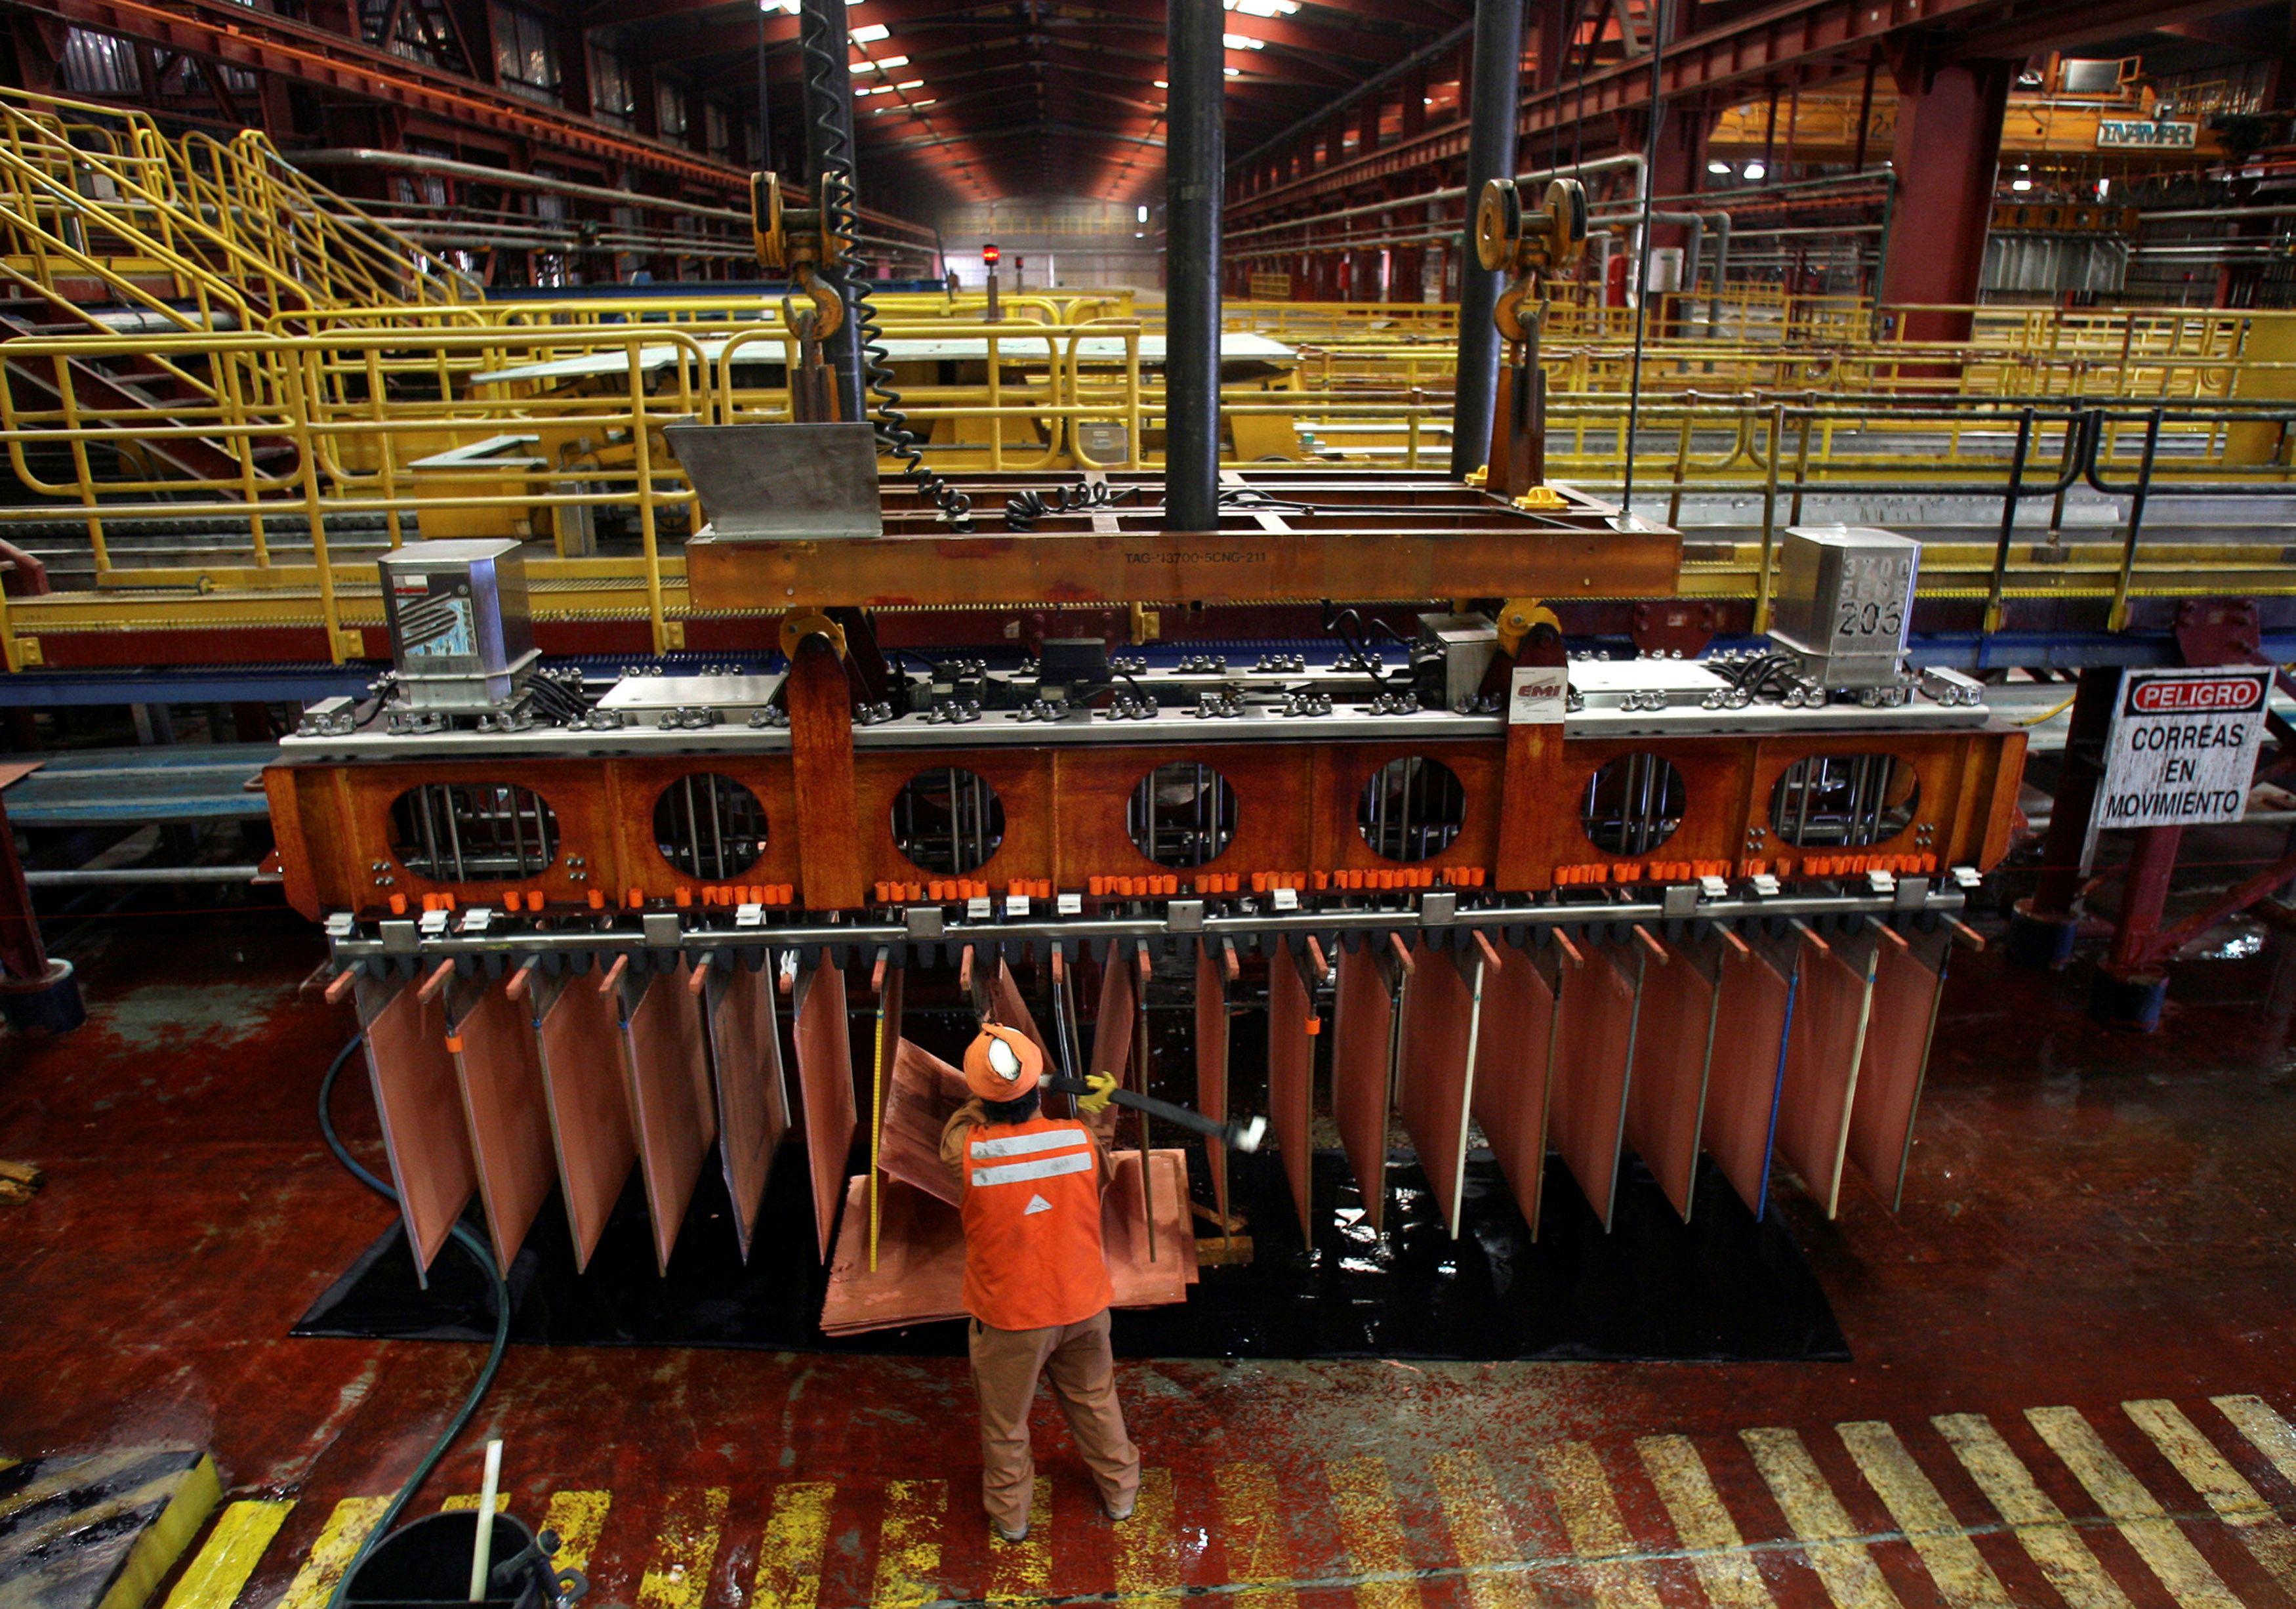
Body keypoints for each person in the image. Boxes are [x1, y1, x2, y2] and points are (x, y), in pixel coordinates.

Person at [941, 1022, 1139, 1542]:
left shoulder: (968, 1152)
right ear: (1035, 1089)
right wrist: (1096, 1104)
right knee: (1096, 1400)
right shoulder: (1077, 1142)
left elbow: (957, 1127)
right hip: (1083, 1306)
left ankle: (1012, 1519)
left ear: (981, 1097)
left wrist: (988, 1093)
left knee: (1006, 1426)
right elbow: (1098, 1146)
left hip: (1010, 1320)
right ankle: (1121, 1495)